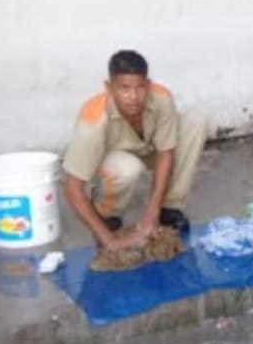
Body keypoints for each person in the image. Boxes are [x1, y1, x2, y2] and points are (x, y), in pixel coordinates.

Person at [62, 51, 208, 250]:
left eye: (140, 88)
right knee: (127, 168)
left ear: (148, 84)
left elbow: (165, 153)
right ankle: (106, 215)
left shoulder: (162, 97)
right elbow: (72, 187)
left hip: (148, 150)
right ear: (109, 87)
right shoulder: (93, 119)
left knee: (195, 122)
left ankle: (169, 209)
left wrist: (153, 211)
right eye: (124, 88)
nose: (133, 97)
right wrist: (109, 240)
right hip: (113, 163)